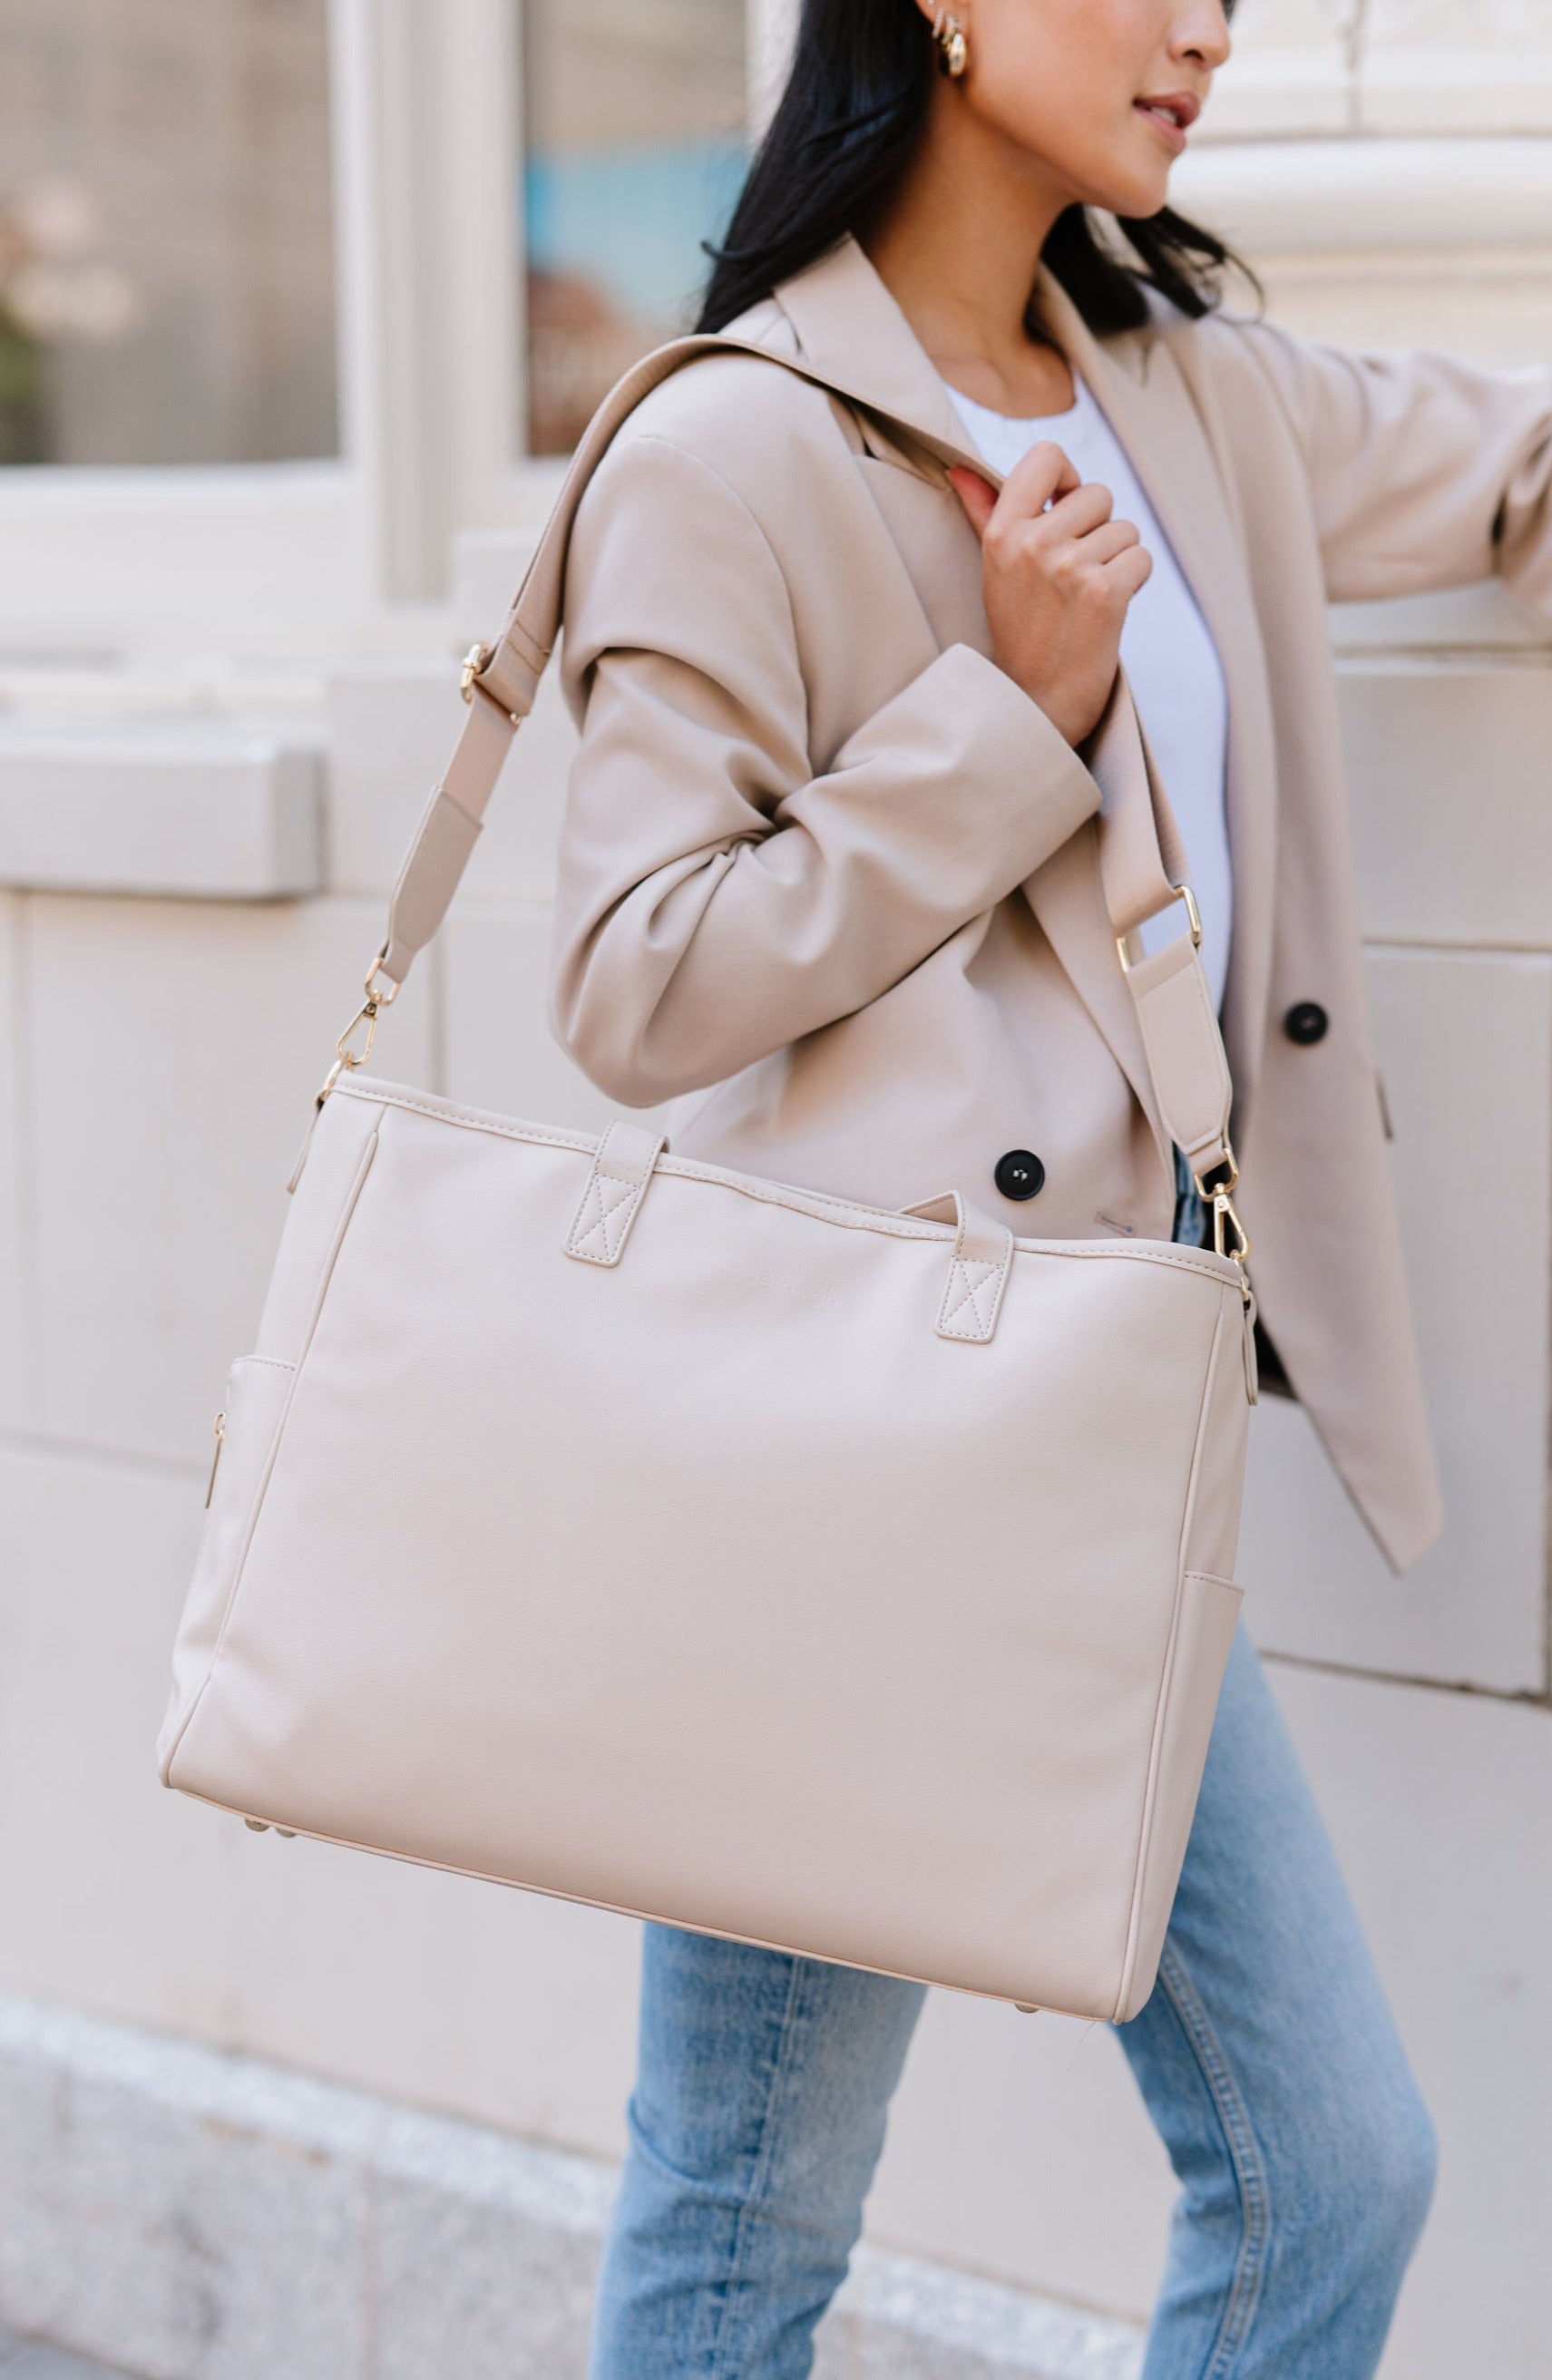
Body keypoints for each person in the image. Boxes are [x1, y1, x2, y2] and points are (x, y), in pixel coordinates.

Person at [547, 5, 1552, 2374]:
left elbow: (1507, 456)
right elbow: (632, 975)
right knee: (752, 2217)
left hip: (1102, 1416)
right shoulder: (736, 442)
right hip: (856, 1437)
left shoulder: (1193, 395)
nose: (1209, 21)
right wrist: (1004, 711)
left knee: (1318, 2170)